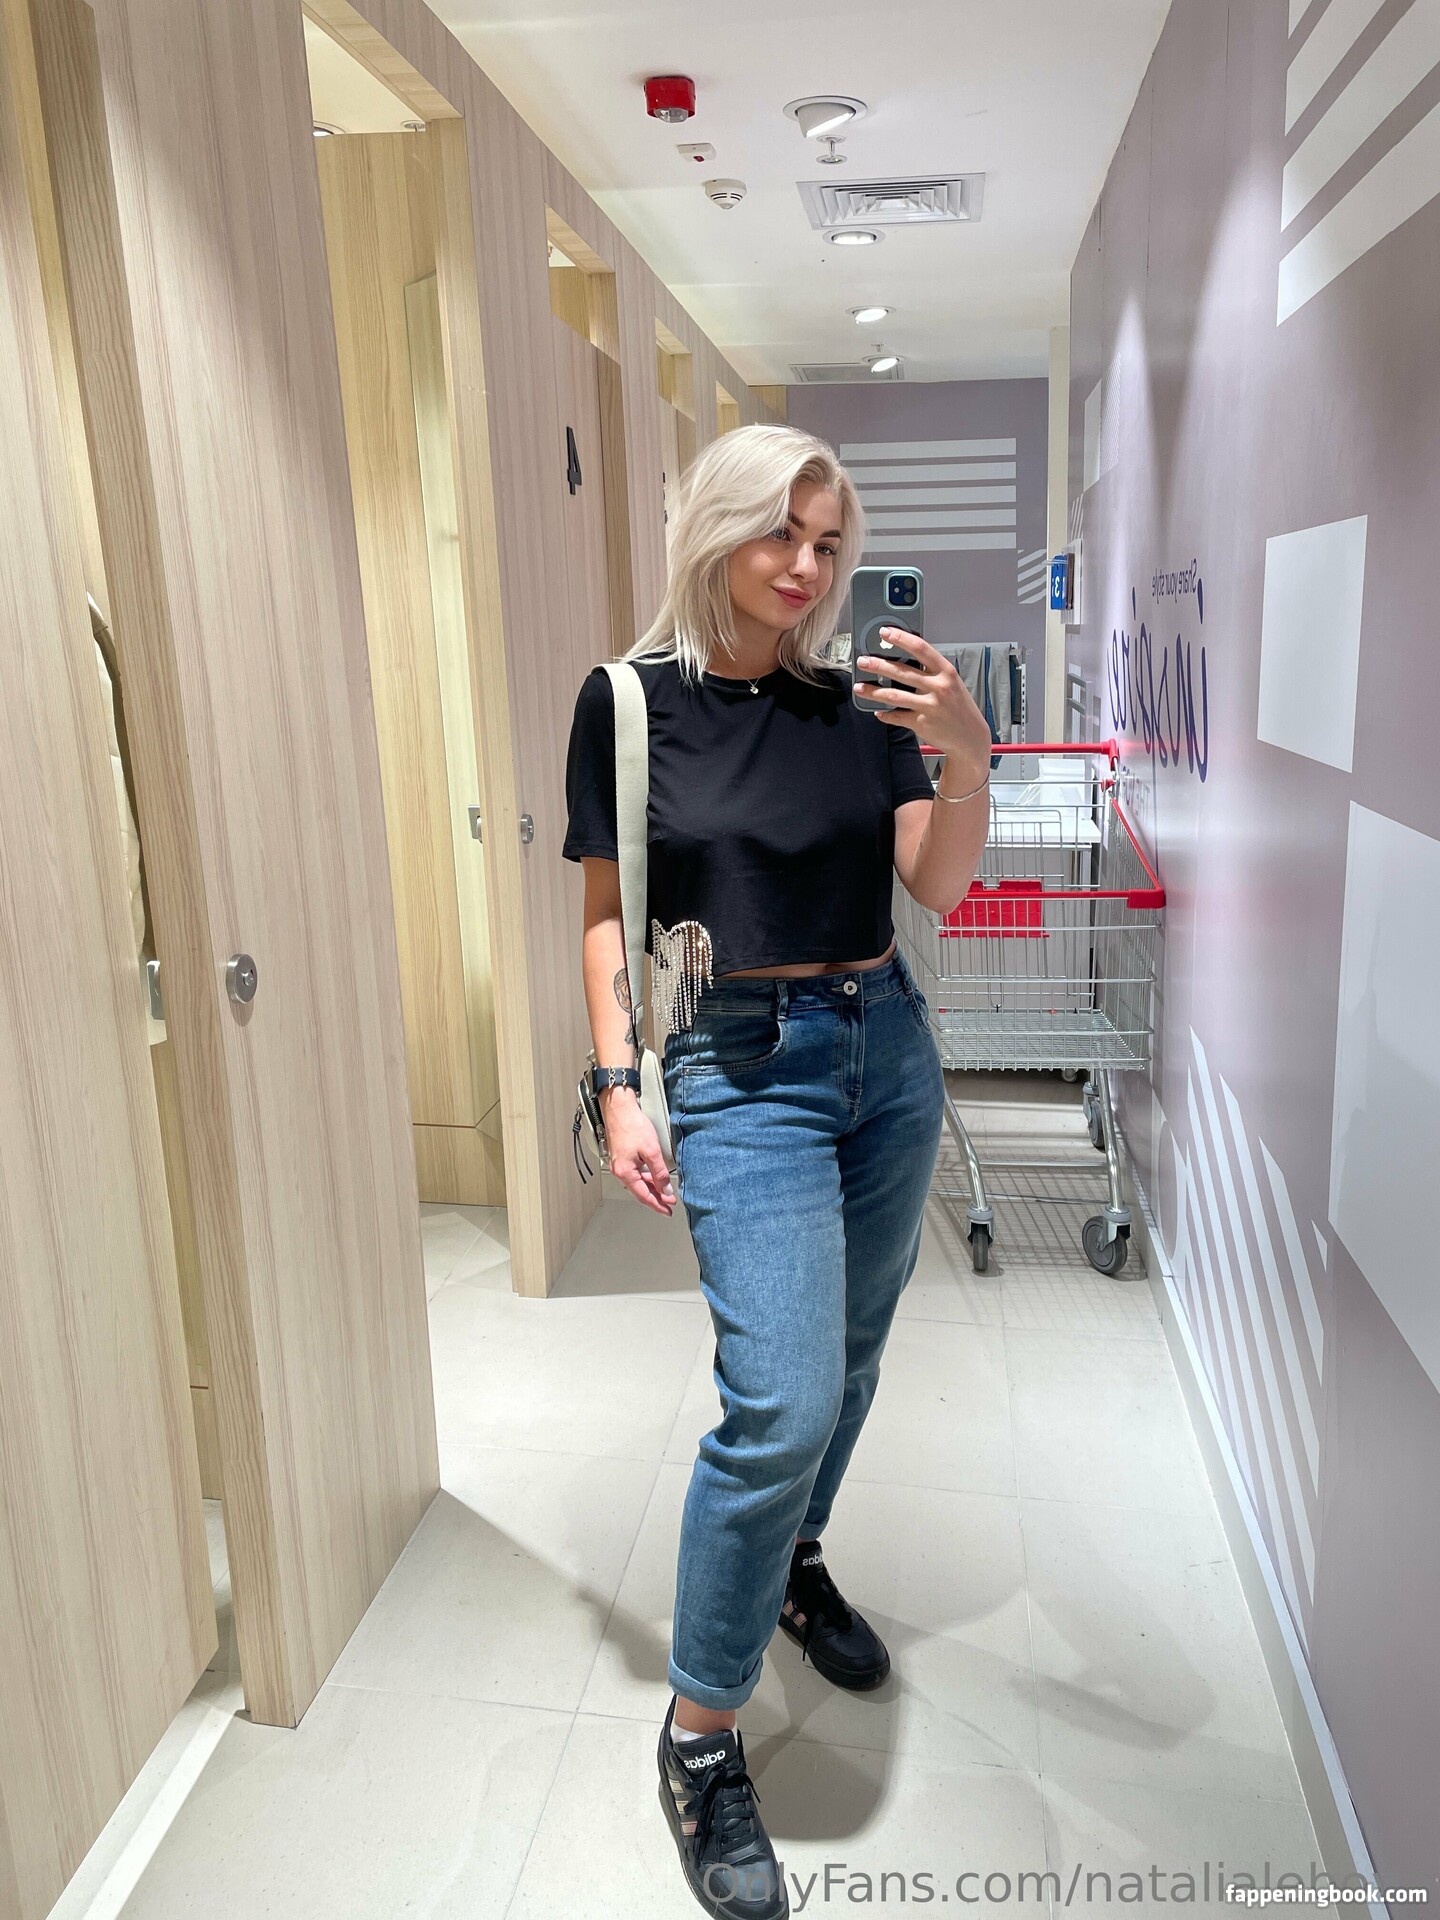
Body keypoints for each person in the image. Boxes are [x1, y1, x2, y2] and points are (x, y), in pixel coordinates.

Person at [562, 423, 992, 1920]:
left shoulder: (862, 702)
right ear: (717, 526)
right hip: (739, 1072)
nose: (806, 568)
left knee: (853, 1362)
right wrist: (618, 1081)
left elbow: (939, 882)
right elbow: (609, 911)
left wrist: (966, 751)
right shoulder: (631, 702)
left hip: (887, 1054)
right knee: (782, 1402)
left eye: (827, 543)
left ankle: (794, 1562)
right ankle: (699, 1734)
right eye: (779, 534)